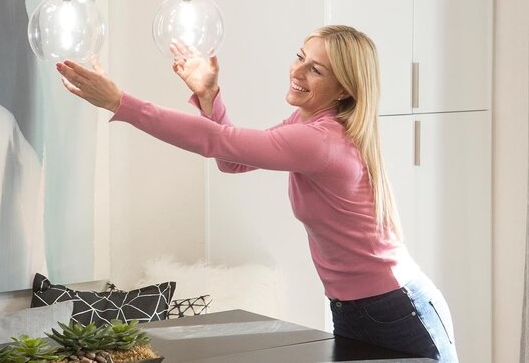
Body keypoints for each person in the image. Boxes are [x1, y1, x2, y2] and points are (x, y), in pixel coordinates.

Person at [54, 25, 458, 362]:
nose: (297, 71)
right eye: (300, 56)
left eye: (315, 69)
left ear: (343, 90)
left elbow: (218, 143)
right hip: (356, 308)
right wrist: (210, 98)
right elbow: (234, 159)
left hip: (397, 311)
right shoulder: (311, 123)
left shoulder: (321, 140)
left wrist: (120, 103)